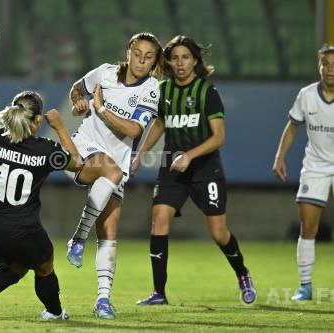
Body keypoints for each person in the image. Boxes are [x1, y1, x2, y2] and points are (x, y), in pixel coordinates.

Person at [131, 35, 257, 306]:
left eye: (185, 57)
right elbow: (159, 124)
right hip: (171, 167)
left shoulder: (206, 92)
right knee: (159, 219)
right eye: (174, 57)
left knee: (218, 232)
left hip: (205, 169)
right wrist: (140, 153)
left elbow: (219, 137)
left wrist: (190, 155)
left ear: (195, 61)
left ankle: (242, 273)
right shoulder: (164, 91)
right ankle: (159, 293)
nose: (180, 63)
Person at [0, 91, 82, 321]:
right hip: (21, 226)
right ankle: (54, 312)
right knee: (45, 264)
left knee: (17, 268)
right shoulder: (46, 150)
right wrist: (61, 128)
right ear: (39, 120)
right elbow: (77, 163)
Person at [65, 32, 164, 319]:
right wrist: (78, 103)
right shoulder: (105, 73)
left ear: (155, 62)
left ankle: (103, 300)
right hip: (85, 147)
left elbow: (134, 131)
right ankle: (78, 238)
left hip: (117, 162)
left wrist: (99, 107)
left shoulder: (151, 89)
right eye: (137, 53)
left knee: (108, 232)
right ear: (129, 51)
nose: (141, 61)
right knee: (109, 168)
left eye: (149, 57)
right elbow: (76, 89)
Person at [272, 45, 334, 301]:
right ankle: (305, 287)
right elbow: (292, 126)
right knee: (308, 227)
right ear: (319, 66)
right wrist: (280, 157)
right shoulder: (306, 95)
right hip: (315, 166)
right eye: (326, 64)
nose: (331, 70)